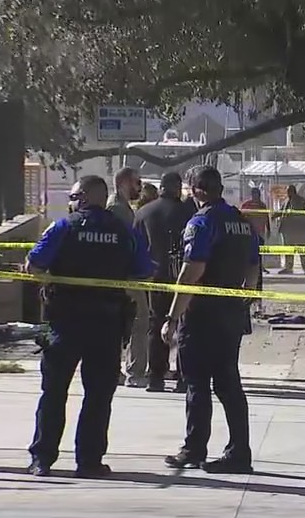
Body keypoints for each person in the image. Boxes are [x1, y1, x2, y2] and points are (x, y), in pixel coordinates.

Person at [25, 175, 154, 477]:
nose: (70, 202)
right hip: (106, 324)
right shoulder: (123, 231)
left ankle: (42, 459)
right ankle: (89, 461)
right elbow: (144, 273)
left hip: (64, 322)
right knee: (98, 396)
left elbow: (34, 266)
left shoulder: (63, 227)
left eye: (72, 196)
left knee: (54, 393)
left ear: (83, 196)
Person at [161, 165, 262, 474]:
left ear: (197, 190)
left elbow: (192, 270)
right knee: (229, 383)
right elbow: (253, 267)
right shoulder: (242, 222)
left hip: (202, 314)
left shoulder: (202, 222)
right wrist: (241, 299)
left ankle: (194, 448)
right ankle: (239, 451)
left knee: (196, 384)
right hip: (230, 312)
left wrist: (172, 316)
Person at [134, 171, 195, 394]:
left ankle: (156, 377)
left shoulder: (143, 212)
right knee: (183, 327)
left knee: (155, 325)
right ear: (178, 188)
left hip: (155, 277)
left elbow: (136, 247)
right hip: (182, 276)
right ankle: (182, 378)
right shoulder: (188, 213)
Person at [109, 166, 149, 388]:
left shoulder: (123, 207)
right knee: (138, 321)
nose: (140, 188)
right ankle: (134, 372)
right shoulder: (118, 210)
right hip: (126, 276)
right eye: (137, 182)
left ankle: (122, 371)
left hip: (125, 274)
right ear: (124, 182)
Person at [273, 184, 305, 275]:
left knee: (303, 249)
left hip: (299, 230)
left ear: (293, 191)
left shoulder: (301, 201)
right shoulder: (287, 201)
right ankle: (288, 267)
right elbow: (281, 211)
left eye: (289, 191)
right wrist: (274, 215)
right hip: (288, 230)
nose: (288, 193)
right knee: (289, 250)